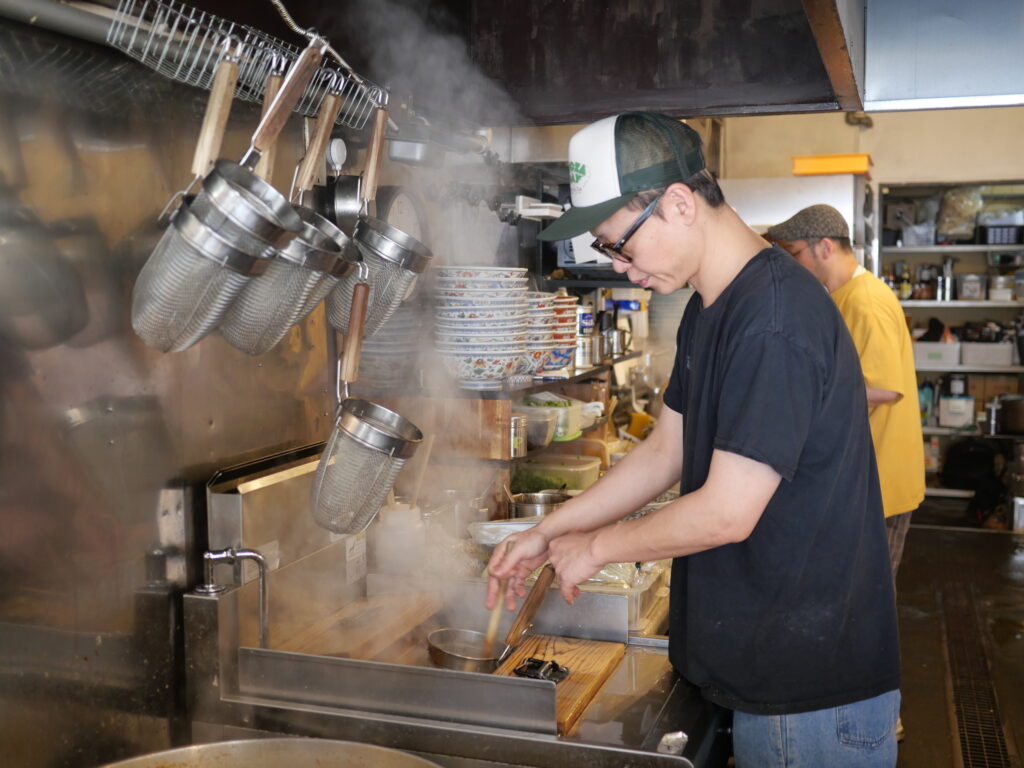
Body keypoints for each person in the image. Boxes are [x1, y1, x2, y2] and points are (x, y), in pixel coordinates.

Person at [486, 113, 900, 767]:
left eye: (620, 246)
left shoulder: (772, 320)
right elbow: (665, 451)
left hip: (808, 695)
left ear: (679, 204)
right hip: (769, 667)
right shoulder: (712, 307)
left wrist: (596, 547)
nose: (621, 269)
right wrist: (548, 532)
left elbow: (727, 512)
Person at [767, 204, 925, 584]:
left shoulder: (864, 300)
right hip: (862, 476)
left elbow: (882, 389)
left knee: (867, 597)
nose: (794, 265)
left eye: (795, 253)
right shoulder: (844, 296)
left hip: (880, 479)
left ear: (824, 247)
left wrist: (801, 404)